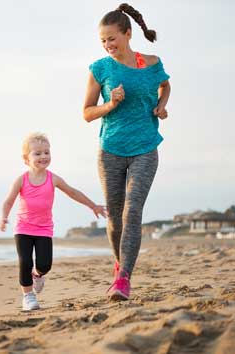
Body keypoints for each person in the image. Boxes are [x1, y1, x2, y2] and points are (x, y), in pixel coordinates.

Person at [83, 3, 171, 301]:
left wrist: (161, 105)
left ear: (128, 33)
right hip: (110, 150)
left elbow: (166, 86)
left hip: (146, 147)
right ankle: (120, 262)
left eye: (112, 38)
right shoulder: (100, 69)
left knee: (133, 211)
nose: (108, 45)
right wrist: (110, 104)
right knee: (115, 220)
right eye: (103, 40)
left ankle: (123, 279)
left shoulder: (151, 62)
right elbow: (86, 112)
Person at [0, 132, 106, 311]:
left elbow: (72, 192)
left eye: (46, 152)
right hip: (23, 228)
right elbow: (8, 200)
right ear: (26, 159)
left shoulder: (53, 178)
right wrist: (4, 217)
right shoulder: (21, 180)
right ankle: (28, 296)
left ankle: (38, 275)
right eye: (37, 153)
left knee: (44, 264)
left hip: (43, 229)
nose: (43, 156)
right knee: (25, 261)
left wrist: (93, 205)